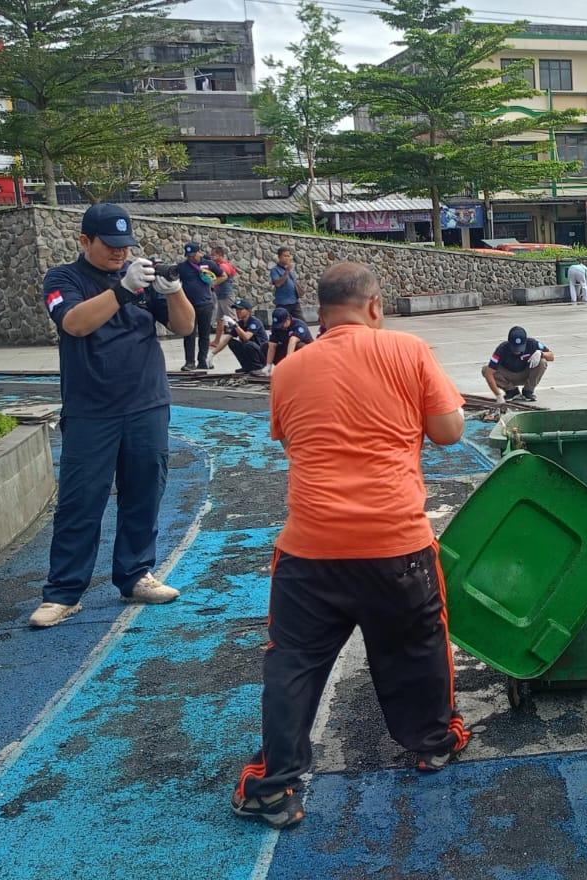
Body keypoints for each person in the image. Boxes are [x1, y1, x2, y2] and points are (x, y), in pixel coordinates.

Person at [233, 261, 470, 829]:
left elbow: (291, 438)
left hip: (311, 547)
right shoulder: (408, 351)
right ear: (374, 306)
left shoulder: (290, 368)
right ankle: (432, 742)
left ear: (320, 312)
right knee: (416, 643)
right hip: (395, 541)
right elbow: (449, 430)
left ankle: (277, 787)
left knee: (292, 661)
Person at [30, 202, 196, 628]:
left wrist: (173, 289)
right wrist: (121, 290)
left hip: (146, 403)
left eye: (125, 246)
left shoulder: (139, 278)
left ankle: (136, 574)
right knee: (80, 501)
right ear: (84, 240)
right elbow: (74, 324)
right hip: (91, 410)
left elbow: (183, 327)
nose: (120, 254)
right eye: (110, 246)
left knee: (145, 491)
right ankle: (64, 592)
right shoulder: (63, 278)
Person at [481, 326, 553, 402]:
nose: (517, 351)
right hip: (508, 375)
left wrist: (541, 354)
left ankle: (528, 391)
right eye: (514, 347)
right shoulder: (502, 349)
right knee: (485, 370)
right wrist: (498, 394)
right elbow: (489, 373)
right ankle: (512, 391)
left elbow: (551, 356)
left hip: (526, 374)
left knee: (542, 362)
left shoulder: (533, 344)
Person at [178, 242, 217, 371]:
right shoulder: (182, 267)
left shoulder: (209, 264)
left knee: (204, 334)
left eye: (193, 255)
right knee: (189, 333)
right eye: (188, 255)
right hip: (188, 305)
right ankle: (189, 362)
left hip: (205, 304)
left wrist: (212, 283)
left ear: (199, 252)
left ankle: (202, 360)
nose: (191, 258)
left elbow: (223, 275)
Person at [211, 298, 268, 375]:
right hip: (250, 350)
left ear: (248, 311)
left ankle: (258, 368)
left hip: (261, 354)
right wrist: (212, 354)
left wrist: (235, 325)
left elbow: (246, 337)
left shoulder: (254, 322)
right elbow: (226, 340)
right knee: (232, 342)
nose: (238, 312)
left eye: (240, 309)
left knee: (248, 344)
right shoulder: (240, 323)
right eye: (236, 309)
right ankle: (246, 367)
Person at [270, 247, 299, 312]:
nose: (287, 258)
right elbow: (278, 284)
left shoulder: (291, 269)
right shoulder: (275, 270)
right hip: (283, 303)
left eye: (288, 256)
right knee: (282, 321)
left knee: (301, 321)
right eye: (285, 256)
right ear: (279, 257)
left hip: (294, 302)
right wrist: (286, 272)